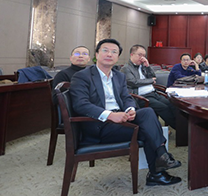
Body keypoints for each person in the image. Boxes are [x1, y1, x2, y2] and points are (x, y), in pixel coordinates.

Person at [70, 39, 181, 186]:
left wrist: (130, 109)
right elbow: (81, 105)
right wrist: (110, 115)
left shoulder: (118, 76)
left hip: (121, 118)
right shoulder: (82, 76)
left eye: (114, 52)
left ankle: (161, 159)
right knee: (148, 130)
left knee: (148, 113)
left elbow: (126, 97)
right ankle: (158, 168)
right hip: (99, 124)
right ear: (96, 54)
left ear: (117, 57)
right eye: (105, 50)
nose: (109, 54)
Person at [121, 45, 177, 129]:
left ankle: (183, 126)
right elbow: (134, 82)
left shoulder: (143, 66)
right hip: (141, 97)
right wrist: (150, 81)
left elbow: (153, 76)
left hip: (153, 93)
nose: (142, 58)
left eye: (144, 55)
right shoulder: (126, 68)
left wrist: (147, 66)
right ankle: (179, 129)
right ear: (132, 54)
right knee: (163, 107)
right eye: (140, 55)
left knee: (172, 104)